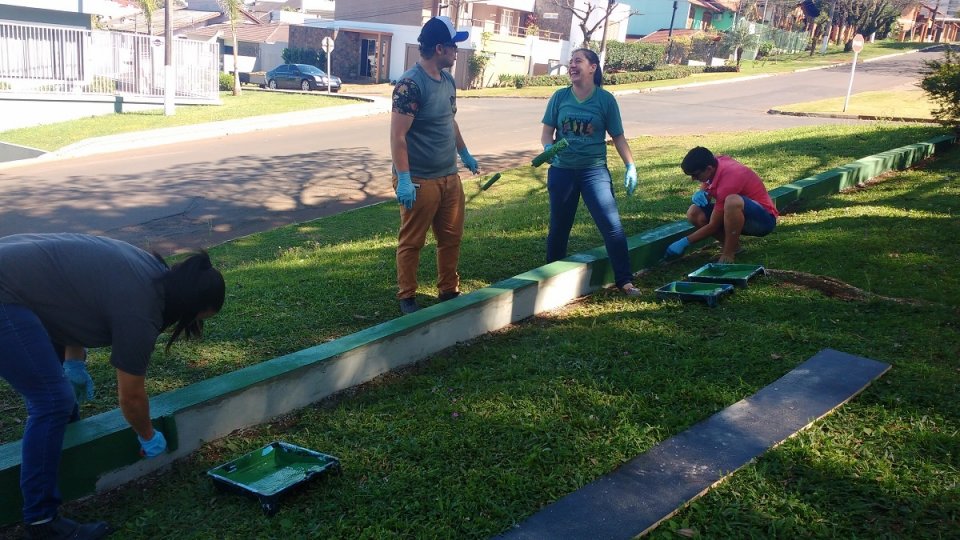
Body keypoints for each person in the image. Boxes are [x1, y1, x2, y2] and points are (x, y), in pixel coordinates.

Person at [0, 233, 225, 540]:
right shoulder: (142, 310)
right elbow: (131, 396)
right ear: (190, 306)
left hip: (18, 280)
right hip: (6, 292)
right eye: (199, 318)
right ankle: (42, 522)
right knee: (53, 402)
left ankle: (65, 470)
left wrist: (74, 361)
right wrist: (148, 435)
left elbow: (72, 300)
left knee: (61, 404)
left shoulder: (151, 270)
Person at [390, 16, 479, 315]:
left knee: (451, 237)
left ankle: (448, 290)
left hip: (448, 177)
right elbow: (398, 136)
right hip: (419, 179)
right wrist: (403, 178)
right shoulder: (409, 85)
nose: (457, 52)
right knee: (412, 241)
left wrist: (464, 154)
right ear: (439, 48)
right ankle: (407, 297)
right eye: (454, 46)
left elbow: (448, 121)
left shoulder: (449, 80)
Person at [540, 48, 641, 296]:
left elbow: (618, 137)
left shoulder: (606, 100)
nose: (572, 66)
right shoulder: (559, 97)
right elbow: (546, 133)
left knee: (612, 226)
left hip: (593, 171)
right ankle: (551, 279)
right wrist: (548, 148)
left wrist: (630, 165)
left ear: (593, 67)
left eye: (578, 61)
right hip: (562, 171)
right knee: (559, 227)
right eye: (570, 62)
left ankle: (625, 281)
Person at [665, 147, 778, 263]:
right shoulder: (717, 161)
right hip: (740, 214)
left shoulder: (730, 182)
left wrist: (684, 242)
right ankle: (735, 247)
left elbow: (714, 225)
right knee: (694, 213)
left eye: (696, 175)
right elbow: (709, 182)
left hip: (763, 221)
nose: (693, 179)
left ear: (708, 169)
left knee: (732, 201)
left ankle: (729, 253)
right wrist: (704, 191)